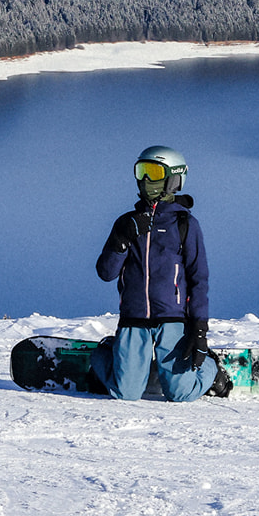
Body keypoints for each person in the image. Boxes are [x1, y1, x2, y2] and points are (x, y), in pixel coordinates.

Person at [91, 145, 231, 401]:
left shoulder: (185, 224)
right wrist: (121, 239)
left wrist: (199, 329)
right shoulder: (126, 222)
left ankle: (212, 368)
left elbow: (198, 279)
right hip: (134, 318)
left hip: (173, 319)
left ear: (173, 179)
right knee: (125, 393)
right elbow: (106, 272)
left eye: (154, 172)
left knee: (181, 393)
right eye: (141, 171)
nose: (146, 180)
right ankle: (110, 352)